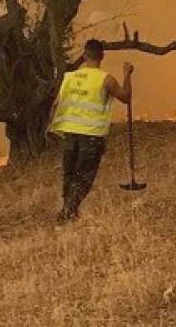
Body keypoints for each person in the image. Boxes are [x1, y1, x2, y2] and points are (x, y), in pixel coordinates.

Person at [49, 39, 133, 222]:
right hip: (91, 135)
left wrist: (52, 130)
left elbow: (56, 104)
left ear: (84, 56)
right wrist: (127, 74)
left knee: (69, 174)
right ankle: (67, 213)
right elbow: (125, 97)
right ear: (102, 56)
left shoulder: (69, 78)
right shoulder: (105, 79)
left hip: (69, 134)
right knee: (85, 176)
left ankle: (68, 210)